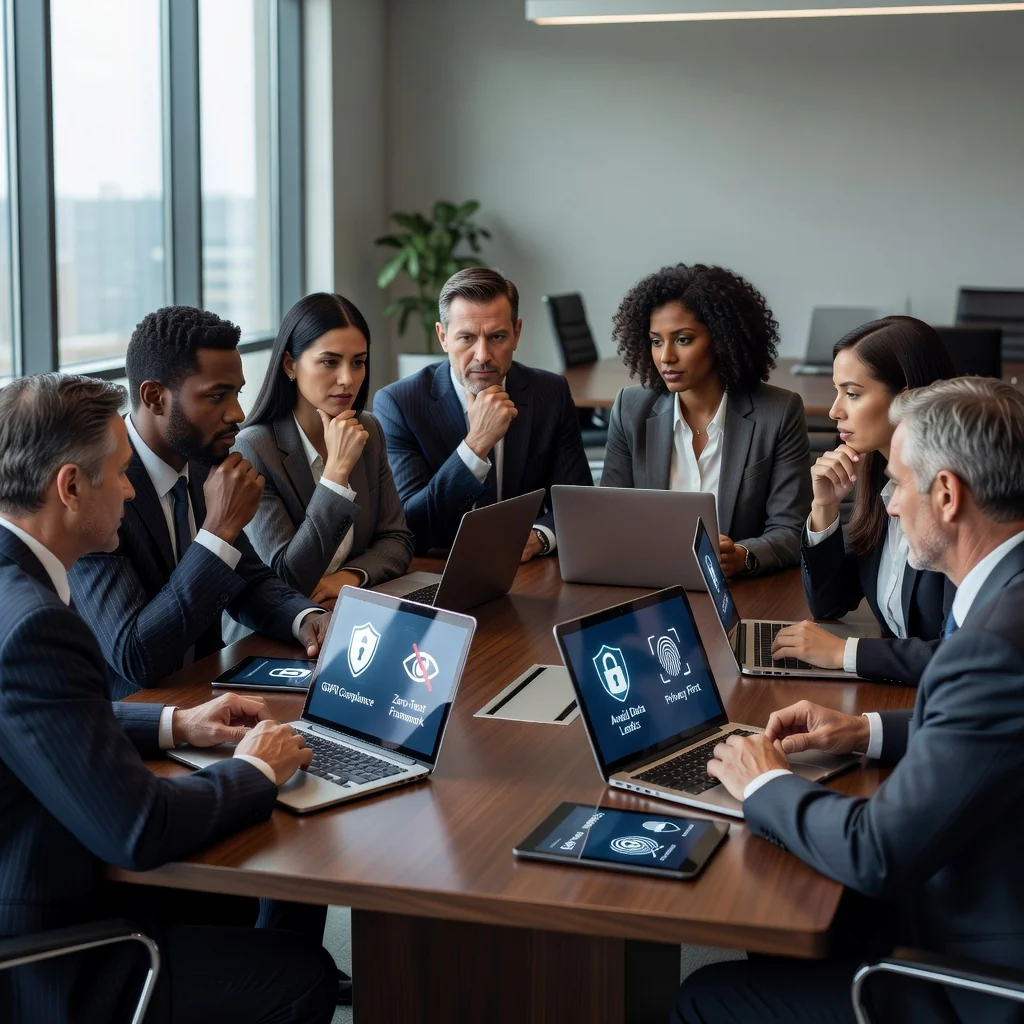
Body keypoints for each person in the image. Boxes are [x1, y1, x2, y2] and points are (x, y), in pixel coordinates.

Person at [677, 377, 1024, 1024]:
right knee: (783, 921)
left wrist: (764, 785)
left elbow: (876, 852)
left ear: (947, 495)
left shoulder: (996, 644)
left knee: (704, 997)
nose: (888, 505)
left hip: (978, 975)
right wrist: (862, 732)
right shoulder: (1009, 595)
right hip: (975, 886)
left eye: (896, 484)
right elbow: (995, 735)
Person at [0, 373, 336, 1024]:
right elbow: (139, 829)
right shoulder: (37, 626)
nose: (130, 490)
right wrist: (258, 770)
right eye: (121, 474)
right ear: (70, 487)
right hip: (46, 957)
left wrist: (176, 724)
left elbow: (37, 721)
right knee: (299, 975)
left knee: (241, 903)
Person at [68, 306, 332, 700]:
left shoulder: (203, 459)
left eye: (237, 392)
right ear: (155, 397)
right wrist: (218, 530)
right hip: (133, 724)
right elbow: (135, 656)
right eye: (216, 396)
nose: (237, 413)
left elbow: (248, 579)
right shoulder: (98, 487)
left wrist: (306, 618)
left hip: (207, 695)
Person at [772, 316, 957, 685]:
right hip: (896, 691)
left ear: (906, 399)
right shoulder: (877, 479)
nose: (834, 410)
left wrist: (845, 653)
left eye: (852, 394)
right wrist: (823, 507)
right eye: (837, 391)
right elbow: (830, 604)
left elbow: (962, 656)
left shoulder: (953, 502)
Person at [600, 264, 810, 576]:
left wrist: (743, 554)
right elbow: (608, 516)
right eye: (656, 341)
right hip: (650, 583)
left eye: (683, 340)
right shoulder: (630, 408)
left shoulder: (778, 412)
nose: (666, 356)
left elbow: (792, 530)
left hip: (737, 593)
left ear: (722, 339)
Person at [373, 267, 593, 556]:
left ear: (516, 334)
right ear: (443, 337)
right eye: (466, 338)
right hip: (437, 567)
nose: (483, 355)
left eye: (497, 337)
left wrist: (539, 536)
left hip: (525, 568)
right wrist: (475, 445)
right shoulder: (399, 404)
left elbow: (579, 502)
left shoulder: (549, 393)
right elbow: (410, 529)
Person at [234, 292, 413, 609]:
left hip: (347, 607)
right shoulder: (254, 448)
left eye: (358, 362)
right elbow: (287, 579)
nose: (347, 379)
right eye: (330, 362)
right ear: (290, 364)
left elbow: (397, 541)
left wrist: (350, 577)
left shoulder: (367, 429)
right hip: (278, 633)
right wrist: (335, 475)